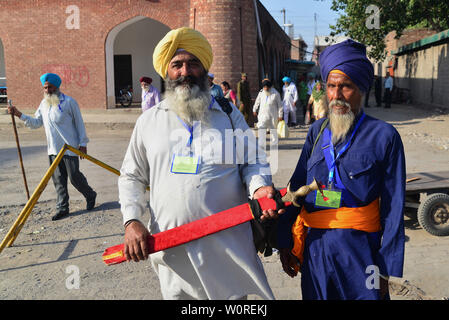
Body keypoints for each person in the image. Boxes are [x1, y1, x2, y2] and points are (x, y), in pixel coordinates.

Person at [119, 27, 284, 300]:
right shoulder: (149, 122)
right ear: (167, 72)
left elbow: (253, 162)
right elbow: (131, 176)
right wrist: (132, 220)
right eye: (177, 65)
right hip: (173, 251)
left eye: (193, 63)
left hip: (227, 247)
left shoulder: (228, 117)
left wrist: (259, 189)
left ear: (205, 70)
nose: (185, 72)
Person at [277, 39, 405, 300]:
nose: (336, 95)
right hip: (316, 251)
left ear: (362, 88)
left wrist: (385, 270)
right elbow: (296, 187)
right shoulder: (316, 130)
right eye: (331, 86)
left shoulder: (384, 136)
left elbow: (394, 208)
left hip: (361, 253)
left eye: (346, 86)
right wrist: (284, 242)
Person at [8, 73, 97, 221]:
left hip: (70, 148)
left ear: (57, 87)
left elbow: (79, 124)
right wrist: (19, 114)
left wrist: (83, 143)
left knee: (75, 177)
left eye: (50, 87)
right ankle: (62, 208)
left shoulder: (69, 102)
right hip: (53, 150)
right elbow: (37, 122)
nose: (47, 90)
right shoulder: (44, 104)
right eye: (45, 88)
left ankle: (90, 194)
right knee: (58, 180)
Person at [252, 78, 283, 143]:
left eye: (267, 87)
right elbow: (257, 101)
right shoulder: (261, 92)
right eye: (264, 87)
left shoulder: (276, 93)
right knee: (261, 128)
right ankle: (261, 143)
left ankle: (274, 143)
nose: (265, 89)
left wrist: (280, 115)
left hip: (272, 115)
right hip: (262, 115)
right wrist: (254, 109)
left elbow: (280, 106)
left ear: (270, 87)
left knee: (273, 130)